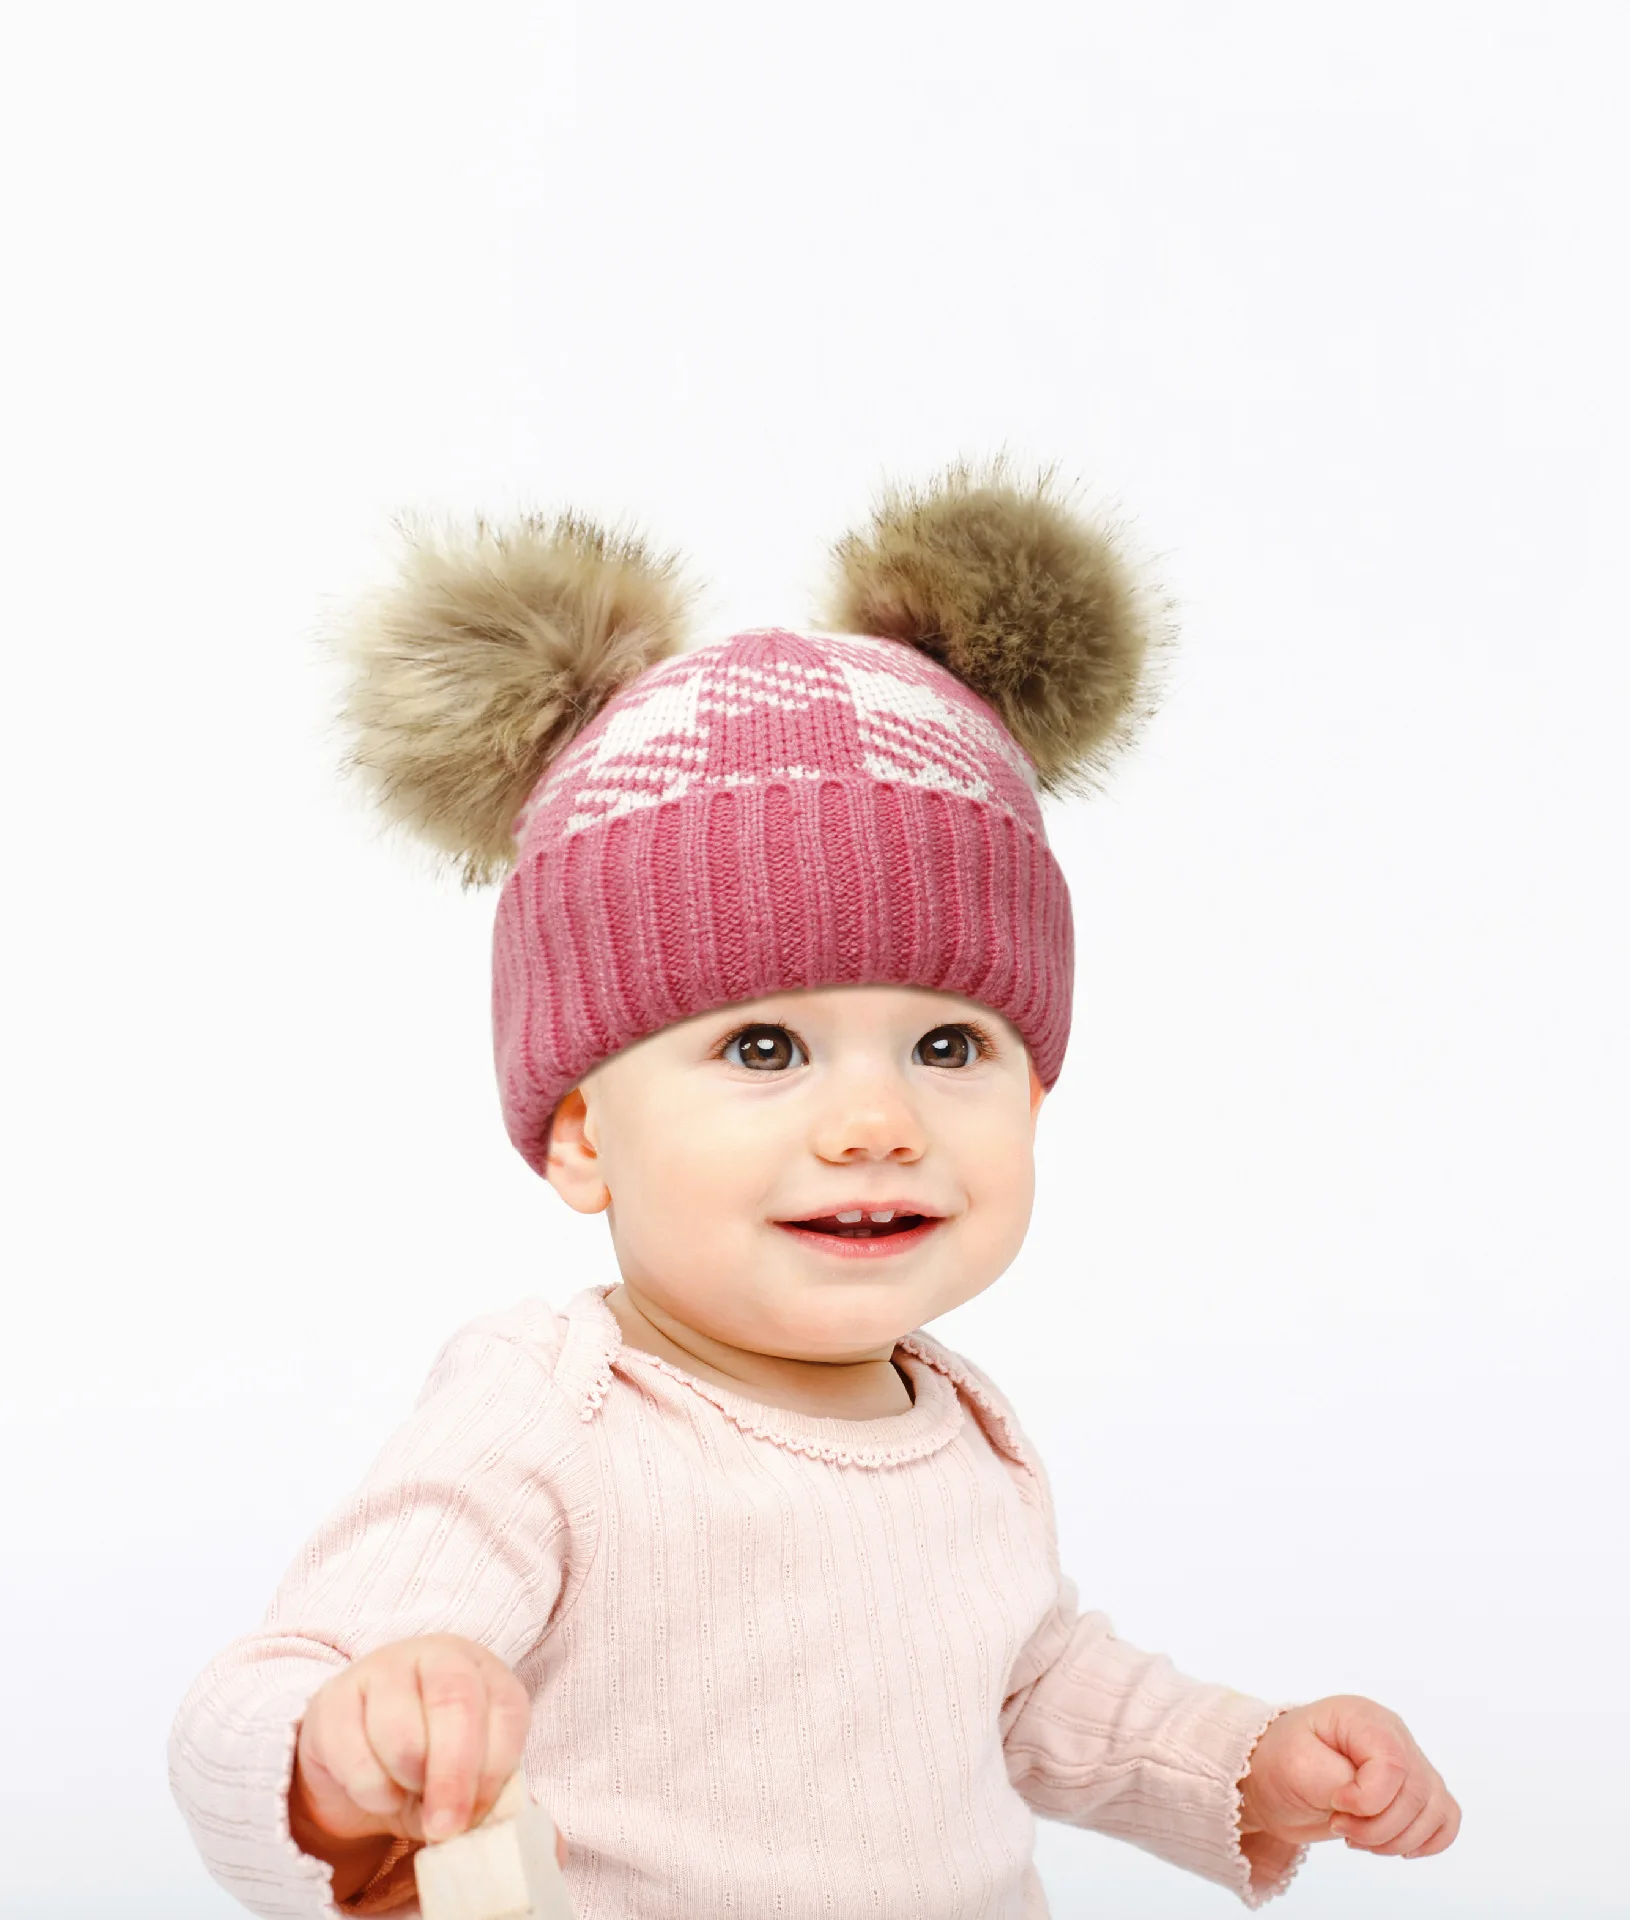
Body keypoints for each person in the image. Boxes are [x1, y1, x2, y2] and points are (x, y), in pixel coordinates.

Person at [168, 456, 1460, 1916]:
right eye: (764, 1047)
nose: (874, 1122)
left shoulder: (961, 1424)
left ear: (1036, 1096)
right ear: (582, 1132)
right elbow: (264, 1693)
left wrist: (1243, 1758)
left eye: (948, 1045)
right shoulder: (554, 1412)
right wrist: (344, 1747)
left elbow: (1030, 1685)